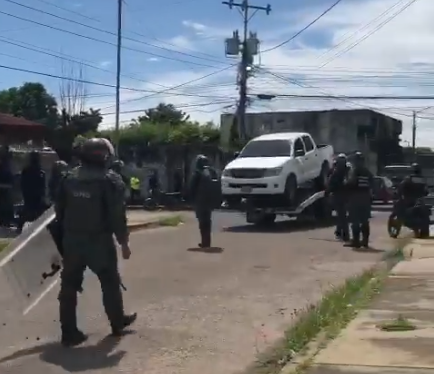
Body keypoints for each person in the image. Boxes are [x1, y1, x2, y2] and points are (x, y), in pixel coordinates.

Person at [55, 138, 136, 347]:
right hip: (99, 240)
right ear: (104, 156)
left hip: (72, 239)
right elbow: (117, 215)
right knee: (109, 281)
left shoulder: (68, 178)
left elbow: (59, 210)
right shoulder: (110, 180)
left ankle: (68, 332)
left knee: (69, 285)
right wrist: (124, 243)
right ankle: (117, 323)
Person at [189, 155, 220, 248]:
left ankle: (204, 242)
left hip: (200, 201)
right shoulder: (211, 172)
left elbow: (192, 188)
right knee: (207, 222)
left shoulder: (197, 174)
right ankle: (207, 242)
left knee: (202, 223)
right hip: (209, 201)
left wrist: (189, 199)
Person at [345, 152, 374, 248]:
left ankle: (356, 241)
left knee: (355, 220)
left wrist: (345, 184)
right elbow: (373, 184)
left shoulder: (354, 171)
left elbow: (351, 183)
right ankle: (365, 241)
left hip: (355, 198)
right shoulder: (368, 172)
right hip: (366, 198)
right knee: (365, 220)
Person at [397, 162, 429, 235]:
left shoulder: (409, 178)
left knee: (400, 210)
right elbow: (426, 191)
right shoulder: (423, 179)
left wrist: (400, 194)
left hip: (409, 199)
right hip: (420, 200)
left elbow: (401, 187)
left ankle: (401, 224)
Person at [20, 151, 47, 227]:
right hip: (35, 195)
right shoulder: (40, 172)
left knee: (29, 209)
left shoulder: (26, 171)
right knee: (35, 211)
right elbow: (42, 186)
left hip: (29, 194)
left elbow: (22, 183)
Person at [327, 153, 350, 242]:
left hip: (340, 196)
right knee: (342, 215)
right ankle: (341, 233)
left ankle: (342, 233)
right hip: (342, 196)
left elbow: (330, 184)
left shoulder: (337, 172)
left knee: (342, 216)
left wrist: (328, 191)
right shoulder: (344, 171)